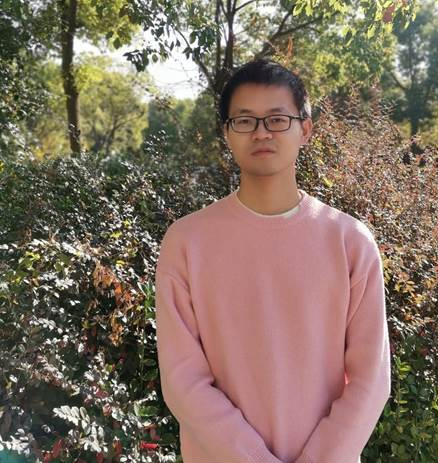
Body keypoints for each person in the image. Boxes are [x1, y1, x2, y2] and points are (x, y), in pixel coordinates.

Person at [155, 58, 391, 463]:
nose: (261, 132)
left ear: (305, 129)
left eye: (278, 119)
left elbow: (370, 379)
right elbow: (183, 381)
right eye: (245, 120)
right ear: (227, 133)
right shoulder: (186, 242)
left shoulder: (350, 241)